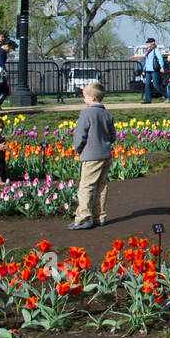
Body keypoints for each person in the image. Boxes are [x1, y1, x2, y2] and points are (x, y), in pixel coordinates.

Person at [68, 82, 117, 230]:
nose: (84, 100)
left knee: (86, 186)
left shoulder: (86, 113)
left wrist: (78, 148)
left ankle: (83, 217)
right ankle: (100, 216)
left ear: (93, 98)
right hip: (105, 154)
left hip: (91, 154)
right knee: (101, 185)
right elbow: (113, 136)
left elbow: (79, 135)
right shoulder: (107, 114)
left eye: (85, 97)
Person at [141, 38, 165, 104]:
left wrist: (162, 67)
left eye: (149, 42)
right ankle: (147, 99)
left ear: (153, 43)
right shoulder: (148, 50)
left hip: (154, 69)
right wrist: (144, 70)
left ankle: (167, 95)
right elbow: (147, 61)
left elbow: (160, 59)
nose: (147, 44)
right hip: (148, 70)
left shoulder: (156, 50)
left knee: (156, 84)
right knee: (147, 84)